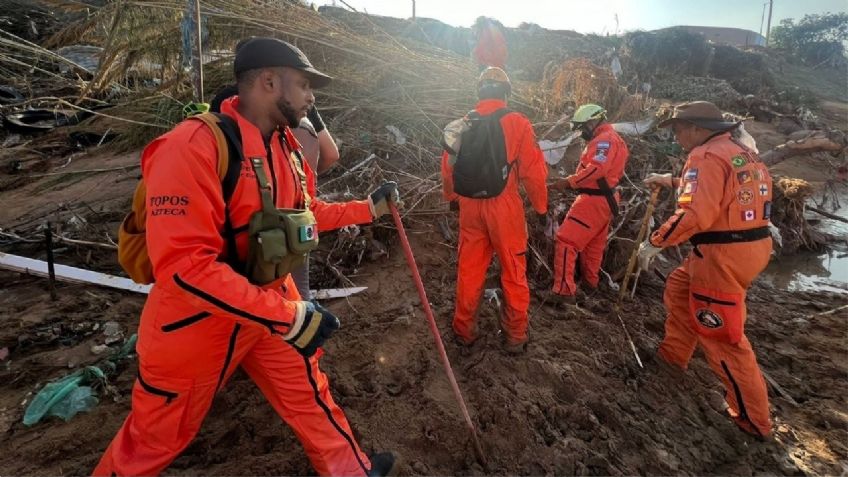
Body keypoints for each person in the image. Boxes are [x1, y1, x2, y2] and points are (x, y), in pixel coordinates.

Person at [94, 37, 399, 476]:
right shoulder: (191, 146)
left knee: (309, 392)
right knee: (151, 441)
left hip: (269, 307)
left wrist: (367, 210)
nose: (311, 97)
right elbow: (184, 268)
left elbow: (303, 215)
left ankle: (351, 470)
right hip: (193, 329)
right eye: (304, 84)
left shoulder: (286, 147)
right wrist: (290, 317)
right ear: (270, 82)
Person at [638, 101, 774, 439]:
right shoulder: (737, 151)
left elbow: (696, 213)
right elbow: (716, 189)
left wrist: (656, 242)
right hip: (749, 246)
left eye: (679, 130)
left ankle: (753, 422)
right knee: (680, 288)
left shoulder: (705, 157)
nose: (677, 137)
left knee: (723, 338)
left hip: (722, 256)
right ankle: (672, 360)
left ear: (698, 129)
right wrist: (670, 180)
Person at [440, 67, 547, 354]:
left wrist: (451, 196)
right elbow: (533, 173)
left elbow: (447, 166)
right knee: (513, 270)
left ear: (479, 91)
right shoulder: (517, 122)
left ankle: (464, 330)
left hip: (469, 207)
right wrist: (540, 207)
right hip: (505, 207)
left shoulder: (464, 123)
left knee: (469, 270)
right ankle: (515, 335)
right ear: (506, 92)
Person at [549, 104, 628, 304]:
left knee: (566, 240)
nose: (581, 132)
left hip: (593, 200)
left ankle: (563, 291)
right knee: (593, 246)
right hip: (606, 200)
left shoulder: (604, 140)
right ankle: (590, 284)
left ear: (593, 122)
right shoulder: (614, 139)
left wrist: (568, 182)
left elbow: (597, 170)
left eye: (583, 127)